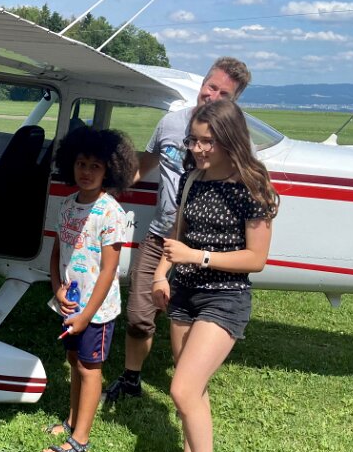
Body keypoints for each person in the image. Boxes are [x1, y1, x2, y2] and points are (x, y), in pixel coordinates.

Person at [146, 99, 278, 452]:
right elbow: (177, 233)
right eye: (194, 141)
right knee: (194, 388)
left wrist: (198, 257)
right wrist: (161, 275)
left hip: (225, 298)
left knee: (182, 389)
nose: (199, 149)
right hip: (184, 292)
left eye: (208, 142)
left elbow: (256, 258)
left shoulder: (252, 188)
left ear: (230, 139)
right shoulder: (192, 178)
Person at [104, 57, 251, 405]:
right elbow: (145, 164)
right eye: (211, 86)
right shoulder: (170, 123)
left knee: (192, 320)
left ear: (234, 101)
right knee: (139, 315)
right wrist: (107, 190)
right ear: (203, 82)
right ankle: (131, 378)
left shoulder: (234, 138)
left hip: (202, 246)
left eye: (224, 94)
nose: (212, 96)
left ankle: (191, 389)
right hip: (161, 235)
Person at [43, 127, 137, 452]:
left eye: (95, 166)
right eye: (81, 164)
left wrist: (87, 315)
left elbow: (109, 270)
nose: (86, 172)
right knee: (73, 361)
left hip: (96, 311)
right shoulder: (67, 205)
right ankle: (72, 420)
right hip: (70, 305)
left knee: (89, 367)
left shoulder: (111, 212)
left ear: (109, 169)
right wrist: (57, 289)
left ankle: (81, 438)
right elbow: (57, 253)